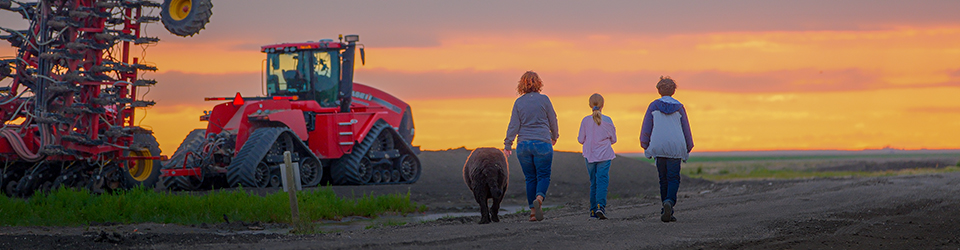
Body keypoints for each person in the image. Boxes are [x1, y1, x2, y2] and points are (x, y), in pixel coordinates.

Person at [503, 71, 559, 222]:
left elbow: (513, 125)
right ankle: (539, 198)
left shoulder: (518, 102)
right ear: (539, 83)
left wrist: (508, 144)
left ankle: (533, 213)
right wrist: (554, 136)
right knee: (543, 175)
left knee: (530, 178)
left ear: (521, 85)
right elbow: (553, 119)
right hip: (542, 143)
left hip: (523, 145)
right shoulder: (544, 99)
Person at [639, 76, 694, 223]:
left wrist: (645, 145)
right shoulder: (680, 107)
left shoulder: (653, 106)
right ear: (673, 91)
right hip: (675, 146)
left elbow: (646, 128)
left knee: (663, 179)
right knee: (673, 178)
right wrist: (688, 147)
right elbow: (686, 129)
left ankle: (665, 208)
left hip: (658, 145)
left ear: (659, 90)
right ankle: (669, 202)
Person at [577, 93, 617, 220]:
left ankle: (593, 211)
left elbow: (580, 139)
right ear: (603, 105)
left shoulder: (585, 121)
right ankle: (601, 206)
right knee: (602, 181)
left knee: (593, 182)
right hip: (604, 155)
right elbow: (614, 139)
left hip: (590, 155)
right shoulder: (608, 120)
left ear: (590, 105)